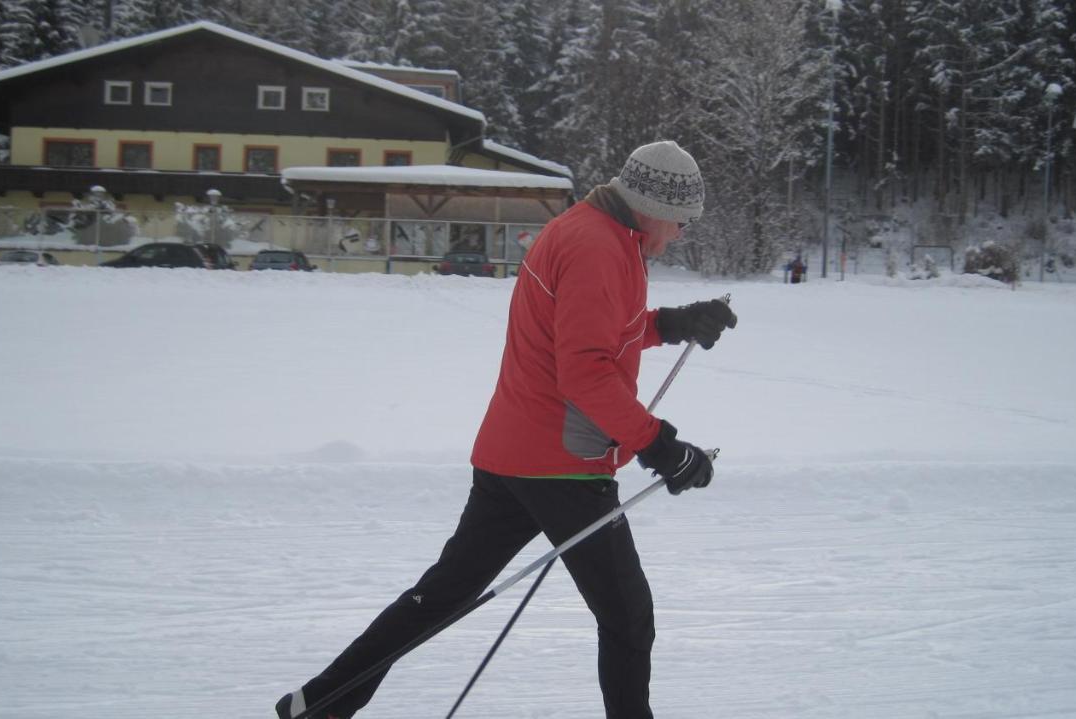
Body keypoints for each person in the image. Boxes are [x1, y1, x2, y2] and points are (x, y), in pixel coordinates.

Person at [276, 140, 738, 719]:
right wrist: (661, 447)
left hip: (513, 454)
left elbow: (594, 333)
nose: (682, 234)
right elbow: (586, 372)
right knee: (627, 616)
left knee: (444, 594)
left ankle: (317, 703)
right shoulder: (599, 247)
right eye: (681, 221)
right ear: (651, 205)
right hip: (561, 464)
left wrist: (671, 324)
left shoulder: (592, 231)